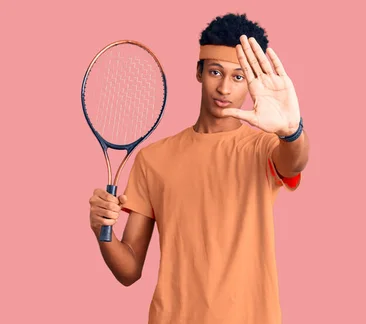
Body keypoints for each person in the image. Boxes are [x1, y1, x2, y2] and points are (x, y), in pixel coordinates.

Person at [87, 13, 309, 324]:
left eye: (238, 76)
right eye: (216, 72)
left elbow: (295, 159)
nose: (224, 88)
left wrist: (292, 131)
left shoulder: (263, 149)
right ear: (198, 71)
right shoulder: (154, 159)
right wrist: (102, 232)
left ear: (251, 82)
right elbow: (129, 271)